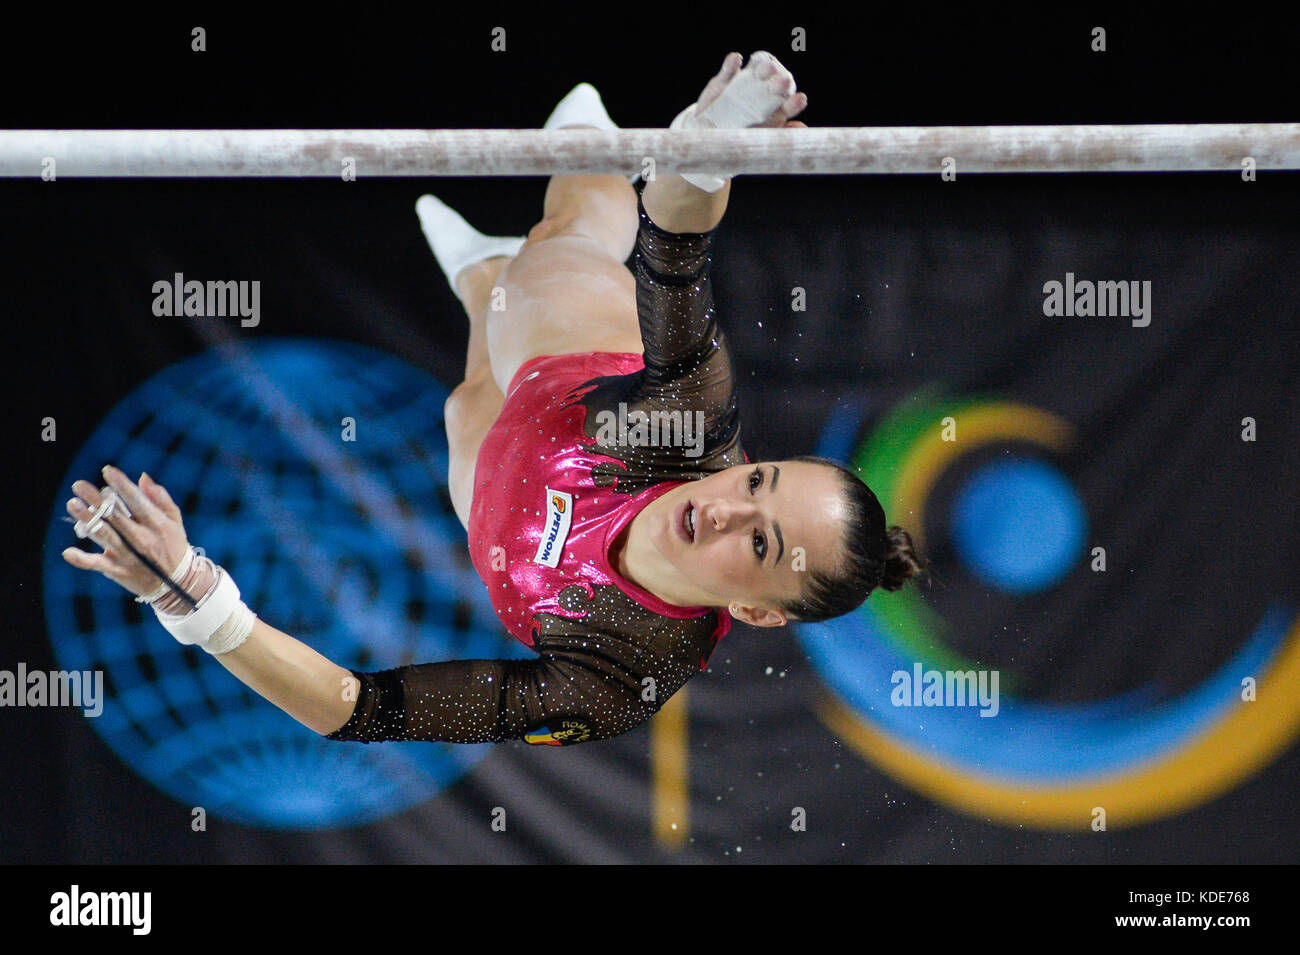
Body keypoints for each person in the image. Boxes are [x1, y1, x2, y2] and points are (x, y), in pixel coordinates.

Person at [61, 51, 924, 749]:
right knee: (564, 249)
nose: (726, 506)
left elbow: (358, 708)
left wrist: (191, 598)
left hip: (508, 523)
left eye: (762, 542)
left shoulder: (618, 677)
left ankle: (480, 276)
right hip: (569, 375)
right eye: (757, 483)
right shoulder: (685, 426)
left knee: (467, 406)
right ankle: (591, 153)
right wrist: (703, 153)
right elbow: (676, 248)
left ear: (756, 611)